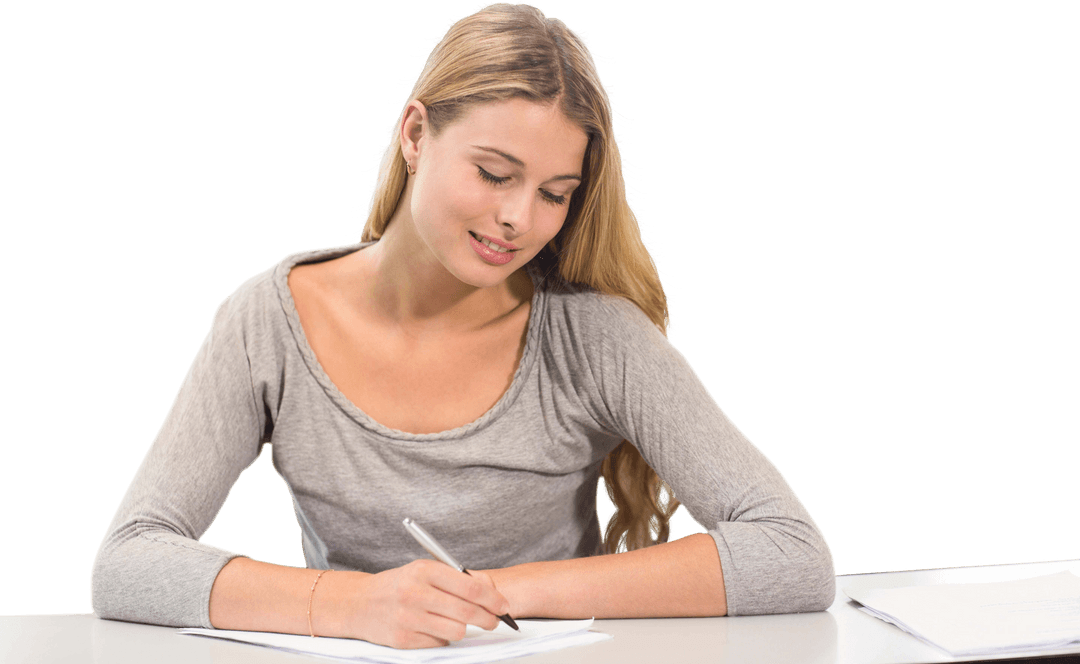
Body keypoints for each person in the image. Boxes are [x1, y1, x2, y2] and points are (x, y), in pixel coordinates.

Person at [90, 2, 835, 651]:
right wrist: (354, 606)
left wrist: (497, 594)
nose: (519, 219)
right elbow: (127, 562)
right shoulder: (269, 320)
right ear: (416, 135)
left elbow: (792, 554)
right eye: (494, 173)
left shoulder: (594, 337)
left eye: (554, 193)